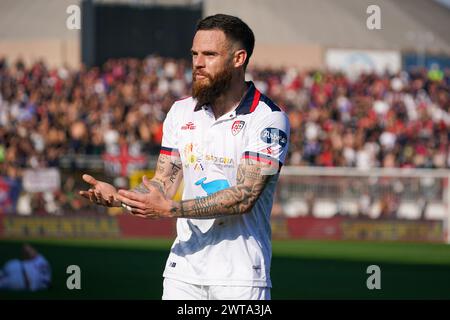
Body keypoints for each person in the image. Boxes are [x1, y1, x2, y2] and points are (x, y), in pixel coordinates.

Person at [79, 14, 290, 300]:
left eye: (210, 55)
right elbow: (163, 184)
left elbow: (244, 197)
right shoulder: (181, 112)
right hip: (183, 272)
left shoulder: (268, 118)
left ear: (239, 58)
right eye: (194, 54)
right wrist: (118, 197)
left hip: (239, 277)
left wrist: (172, 210)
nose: (198, 63)